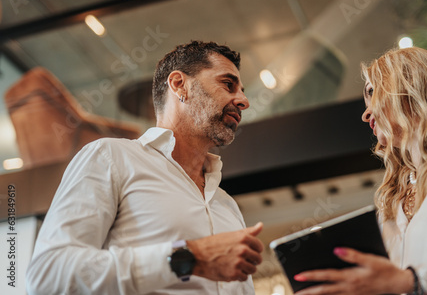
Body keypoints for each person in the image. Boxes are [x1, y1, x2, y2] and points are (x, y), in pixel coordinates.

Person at [26, 41, 264, 294]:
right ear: (179, 84)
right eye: (228, 85)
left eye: (241, 90)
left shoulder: (226, 205)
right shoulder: (111, 157)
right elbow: (48, 276)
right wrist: (188, 258)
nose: (243, 101)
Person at [293, 47, 427, 294]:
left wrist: (411, 281)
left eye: (372, 92)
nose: (365, 113)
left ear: (408, 88)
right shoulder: (392, 202)